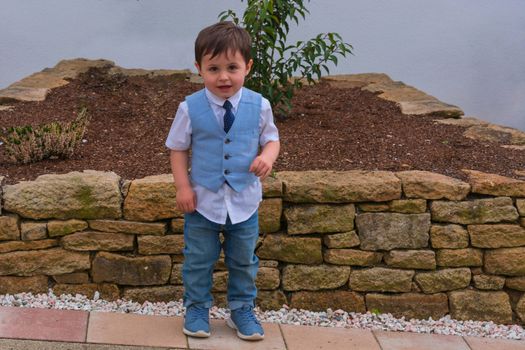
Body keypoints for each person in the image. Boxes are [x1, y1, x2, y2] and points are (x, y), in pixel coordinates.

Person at [165, 21, 280, 341]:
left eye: (232, 67)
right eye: (213, 68)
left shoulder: (260, 105)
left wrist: (267, 158)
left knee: (243, 260)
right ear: (199, 68)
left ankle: (241, 309)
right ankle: (197, 307)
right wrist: (183, 187)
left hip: (244, 201)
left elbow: (272, 140)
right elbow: (178, 148)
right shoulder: (189, 107)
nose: (224, 76)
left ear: (248, 67)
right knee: (198, 258)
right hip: (202, 201)